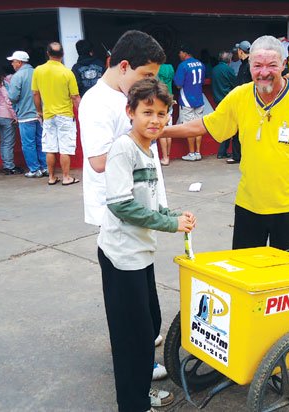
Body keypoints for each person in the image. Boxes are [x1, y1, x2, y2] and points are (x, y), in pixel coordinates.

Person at [163, 35, 289, 253]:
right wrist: (160, 131)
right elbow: (203, 125)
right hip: (248, 206)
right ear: (248, 64)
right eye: (257, 65)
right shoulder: (239, 97)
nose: (263, 72)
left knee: (285, 276)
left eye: (271, 65)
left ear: (283, 65)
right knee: (246, 275)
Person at [78, 30, 172, 406]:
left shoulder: (125, 99)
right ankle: (133, 393)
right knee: (130, 324)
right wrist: (137, 136)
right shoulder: (99, 103)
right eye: (145, 74)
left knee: (148, 316)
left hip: (141, 223)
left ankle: (139, 371)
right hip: (121, 223)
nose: (149, 83)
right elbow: (100, 161)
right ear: (123, 66)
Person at [98, 78, 194, 412]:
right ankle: (134, 403)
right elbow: (121, 205)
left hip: (140, 254)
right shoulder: (124, 148)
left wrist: (173, 213)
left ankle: (139, 390)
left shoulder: (148, 148)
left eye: (161, 113)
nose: (155, 120)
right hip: (122, 255)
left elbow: (149, 204)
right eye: (147, 112)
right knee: (132, 338)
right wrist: (170, 224)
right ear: (130, 112)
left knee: (148, 325)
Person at [32, 42, 81, 185]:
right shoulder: (67, 72)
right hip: (65, 115)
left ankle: (51, 177)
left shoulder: (38, 71)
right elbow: (75, 97)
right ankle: (66, 177)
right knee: (65, 148)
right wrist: (82, 113)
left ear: (47, 53)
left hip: (48, 115)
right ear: (63, 54)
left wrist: (39, 111)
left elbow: (36, 94)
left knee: (50, 148)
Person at [7, 51, 48, 178]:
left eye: (13, 61)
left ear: (19, 62)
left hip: (25, 115)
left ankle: (34, 169)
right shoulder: (38, 72)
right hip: (40, 114)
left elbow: (13, 97)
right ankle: (45, 167)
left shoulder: (17, 76)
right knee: (41, 142)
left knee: (28, 144)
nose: (12, 64)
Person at [0, 63, 24, 175]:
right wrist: (15, 116)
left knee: (3, 142)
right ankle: (9, 166)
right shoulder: (3, 85)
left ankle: (6, 164)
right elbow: (9, 102)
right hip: (7, 117)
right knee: (8, 143)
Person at [173, 44, 205, 161]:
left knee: (189, 127)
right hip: (199, 99)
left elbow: (178, 84)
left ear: (185, 53)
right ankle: (198, 152)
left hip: (187, 100)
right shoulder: (201, 64)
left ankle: (191, 153)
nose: (178, 55)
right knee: (199, 127)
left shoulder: (183, 66)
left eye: (180, 53)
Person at [211, 51, 237, 160]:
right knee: (230, 126)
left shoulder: (214, 69)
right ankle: (222, 151)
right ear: (229, 60)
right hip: (228, 100)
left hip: (217, 100)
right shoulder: (228, 70)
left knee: (224, 125)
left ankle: (222, 151)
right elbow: (236, 84)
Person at [157, 62, 175, 166]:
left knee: (162, 129)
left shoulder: (156, 69)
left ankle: (165, 158)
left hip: (160, 100)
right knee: (169, 127)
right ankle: (168, 155)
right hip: (170, 98)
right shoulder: (170, 67)